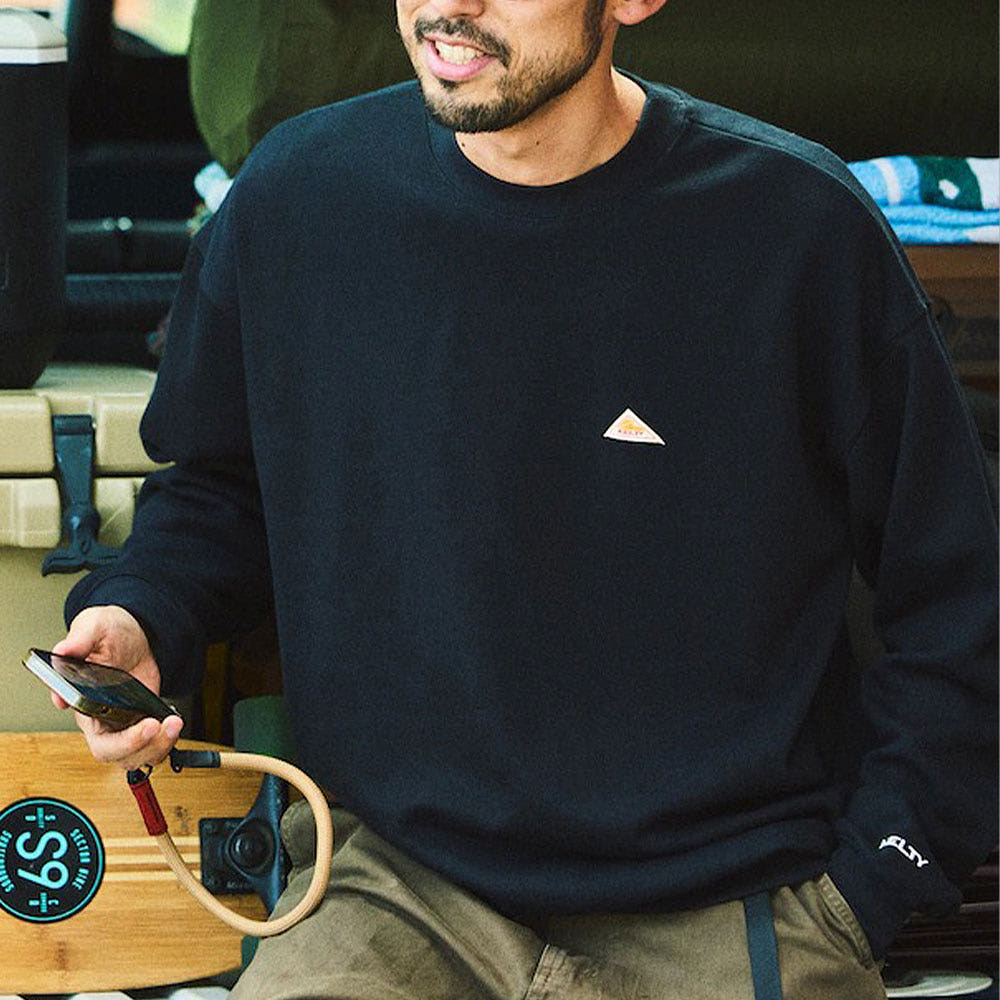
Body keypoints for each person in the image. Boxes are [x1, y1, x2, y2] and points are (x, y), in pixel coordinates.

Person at [54, 1, 997, 997]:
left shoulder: (796, 224)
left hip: (730, 903)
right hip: (395, 888)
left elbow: (960, 593)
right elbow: (221, 484)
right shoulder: (299, 194)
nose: (447, 7)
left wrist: (873, 882)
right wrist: (144, 612)